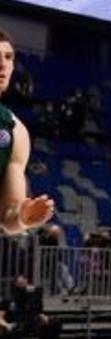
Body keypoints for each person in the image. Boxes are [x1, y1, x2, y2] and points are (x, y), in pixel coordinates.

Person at [0, 29, 56, 235]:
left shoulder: (16, 132)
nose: (3, 64)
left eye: (8, 57)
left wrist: (23, 219)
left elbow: (8, 217)